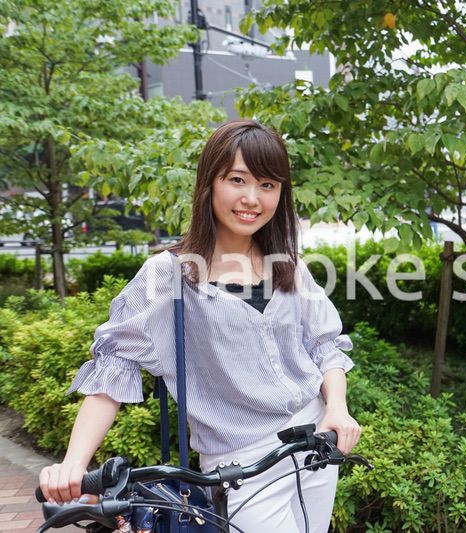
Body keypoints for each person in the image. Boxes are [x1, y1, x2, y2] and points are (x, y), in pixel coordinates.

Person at [38, 119, 361, 532]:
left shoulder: (289, 267)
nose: (252, 198)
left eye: (267, 185)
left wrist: (336, 408)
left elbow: (324, 347)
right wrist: (74, 465)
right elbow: (114, 367)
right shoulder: (169, 275)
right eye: (237, 180)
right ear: (210, 183)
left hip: (316, 445)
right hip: (241, 466)